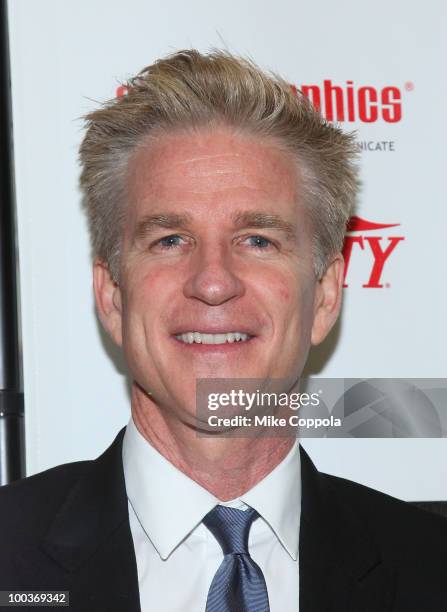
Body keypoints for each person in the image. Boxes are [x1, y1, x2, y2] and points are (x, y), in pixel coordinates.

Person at [0, 49, 446, 612]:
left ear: (327, 295)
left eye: (258, 240)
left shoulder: (432, 571)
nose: (213, 283)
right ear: (112, 296)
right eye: (170, 240)